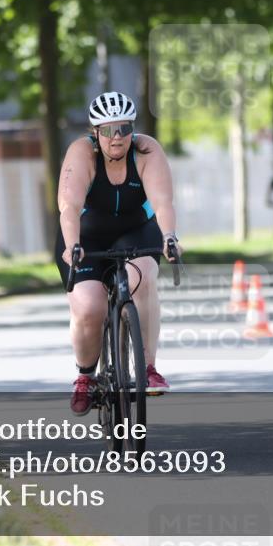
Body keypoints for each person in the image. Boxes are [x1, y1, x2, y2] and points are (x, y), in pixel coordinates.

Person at [57, 91, 181, 416]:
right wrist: (72, 246)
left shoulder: (146, 150)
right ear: (95, 132)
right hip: (87, 235)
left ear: (133, 130)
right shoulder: (81, 153)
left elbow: (163, 202)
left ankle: (148, 367)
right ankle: (86, 377)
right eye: (108, 130)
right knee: (88, 306)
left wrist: (169, 237)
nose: (117, 138)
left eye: (124, 129)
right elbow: (69, 207)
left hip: (136, 230)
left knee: (144, 279)